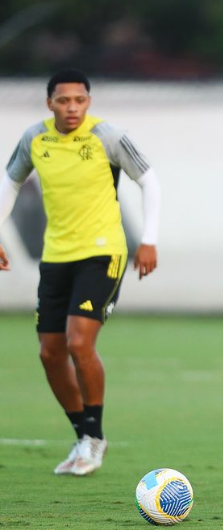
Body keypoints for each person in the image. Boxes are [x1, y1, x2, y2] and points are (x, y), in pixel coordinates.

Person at [0, 69, 162, 476]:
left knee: (78, 341)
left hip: (103, 253)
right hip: (56, 256)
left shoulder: (108, 137)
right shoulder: (34, 138)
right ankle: (84, 438)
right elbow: (10, 182)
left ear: (88, 102)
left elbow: (150, 181)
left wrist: (149, 239)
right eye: (64, 100)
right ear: (49, 103)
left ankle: (94, 437)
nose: (72, 107)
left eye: (80, 100)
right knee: (49, 352)